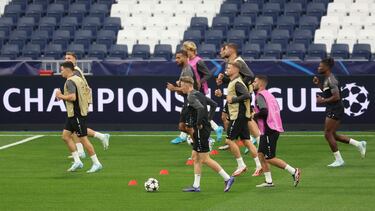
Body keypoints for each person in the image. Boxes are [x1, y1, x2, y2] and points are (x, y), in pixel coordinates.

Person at [179, 76, 234, 192]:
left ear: (187, 85)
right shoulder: (199, 94)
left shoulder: (191, 96)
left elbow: (199, 108)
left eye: (181, 85)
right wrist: (208, 119)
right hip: (203, 128)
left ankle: (227, 178)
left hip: (200, 130)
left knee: (204, 158)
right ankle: (196, 185)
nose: (180, 88)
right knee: (196, 157)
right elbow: (214, 104)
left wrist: (199, 123)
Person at [313, 58, 367, 167]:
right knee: (333, 134)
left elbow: (336, 97)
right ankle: (359, 144)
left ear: (327, 67)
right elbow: (328, 93)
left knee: (327, 134)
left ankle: (339, 160)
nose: (318, 68)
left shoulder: (331, 79)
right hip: (334, 108)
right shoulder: (327, 79)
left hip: (335, 108)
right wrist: (318, 85)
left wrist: (322, 101)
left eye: (320, 66)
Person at [252, 75, 301, 187]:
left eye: (255, 82)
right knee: (260, 154)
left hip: (269, 129)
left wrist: (254, 115)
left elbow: (264, 112)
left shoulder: (260, 96)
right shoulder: (269, 95)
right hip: (271, 128)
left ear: (260, 84)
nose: (253, 83)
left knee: (270, 158)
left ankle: (294, 171)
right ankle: (268, 181)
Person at [215, 61, 261, 177]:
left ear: (236, 70)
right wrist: (223, 96)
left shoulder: (237, 82)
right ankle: (259, 165)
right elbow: (234, 97)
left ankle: (241, 165)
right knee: (246, 141)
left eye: (229, 68)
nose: (227, 69)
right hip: (241, 115)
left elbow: (247, 95)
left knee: (229, 140)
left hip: (238, 116)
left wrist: (234, 100)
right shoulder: (234, 82)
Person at [55, 61, 102, 173]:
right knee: (66, 136)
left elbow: (72, 97)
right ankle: (77, 161)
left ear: (67, 70)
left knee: (83, 139)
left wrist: (60, 96)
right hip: (75, 114)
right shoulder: (79, 79)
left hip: (76, 114)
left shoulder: (70, 82)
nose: (60, 72)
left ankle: (96, 163)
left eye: (62, 70)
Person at [216, 43, 260, 155]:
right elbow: (234, 79)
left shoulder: (238, 61)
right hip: (236, 94)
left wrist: (240, 87)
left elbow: (250, 75)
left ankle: (260, 143)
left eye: (224, 49)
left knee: (248, 119)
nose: (222, 52)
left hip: (242, 95)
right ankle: (231, 141)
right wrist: (224, 79)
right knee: (225, 116)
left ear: (231, 50)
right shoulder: (231, 63)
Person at [64, 52, 110, 158]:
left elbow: (82, 88)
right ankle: (97, 140)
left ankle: (97, 141)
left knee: (78, 128)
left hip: (81, 102)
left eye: (69, 58)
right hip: (81, 102)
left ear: (75, 59)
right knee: (75, 129)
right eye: (66, 58)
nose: (67, 60)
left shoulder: (75, 72)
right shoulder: (73, 70)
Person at [167, 50, 197, 141]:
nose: (176, 60)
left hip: (191, 100)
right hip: (186, 100)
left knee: (188, 127)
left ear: (185, 57)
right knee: (182, 127)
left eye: (179, 58)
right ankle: (201, 139)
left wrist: (174, 88)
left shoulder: (187, 69)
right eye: (176, 58)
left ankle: (201, 143)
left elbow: (188, 88)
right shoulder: (184, 69)